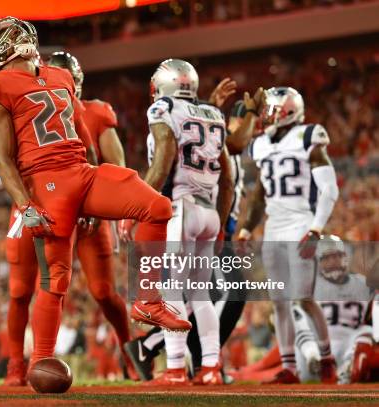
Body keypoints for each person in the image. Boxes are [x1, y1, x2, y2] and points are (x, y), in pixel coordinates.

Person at [0, 16, 189, 368]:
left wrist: (93, 189)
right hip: (46, 182)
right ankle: (41, 360)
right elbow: (3, 160)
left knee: (158, 207)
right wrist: (25, 204)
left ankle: (148, 300)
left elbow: (84, 140)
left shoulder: (60, 77)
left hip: (80, 171)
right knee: (55, 279)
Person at [0, 50, 136, 384]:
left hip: (86, 206)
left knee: (103, 289)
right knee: (22, 289)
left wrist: (98, 201)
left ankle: (129, 349)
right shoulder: (10, 106)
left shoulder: (94, 112)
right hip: (37, 203)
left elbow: (113, 163)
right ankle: (17, 365)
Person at [123, 93, 264, 382]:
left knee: (174, 291)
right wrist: (222, 227)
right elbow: (225, 180)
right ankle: (209, 366)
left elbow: (163, 165)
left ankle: (174, 366)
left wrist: (135, 209)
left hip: (181, 209)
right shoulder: (215, 129)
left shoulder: (169, 116)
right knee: (201, 294)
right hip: (209, 214)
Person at [238, 86, 339, 384]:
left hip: (301, 225)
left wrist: (316, 228)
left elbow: (329, 189)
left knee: (303, 298)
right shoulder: (262, 144)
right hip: (273, 229)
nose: (267, 116)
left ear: (289, 111)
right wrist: (246, 228)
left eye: (272, 110)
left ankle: (327, 358)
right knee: (279, 301)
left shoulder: (309, 137)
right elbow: (259, 195)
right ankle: (289, 367)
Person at [294, 235, 375, 383]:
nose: (333, 261)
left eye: (337, 256)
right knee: (295, 312)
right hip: (317, 349)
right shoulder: (313, 285)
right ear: (319, 262)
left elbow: (371, 321)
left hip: (349, 348)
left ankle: (348, 370)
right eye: (327, 258)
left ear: (345, 257)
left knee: (367, 331)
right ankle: (311, 355)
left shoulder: (364, 284)